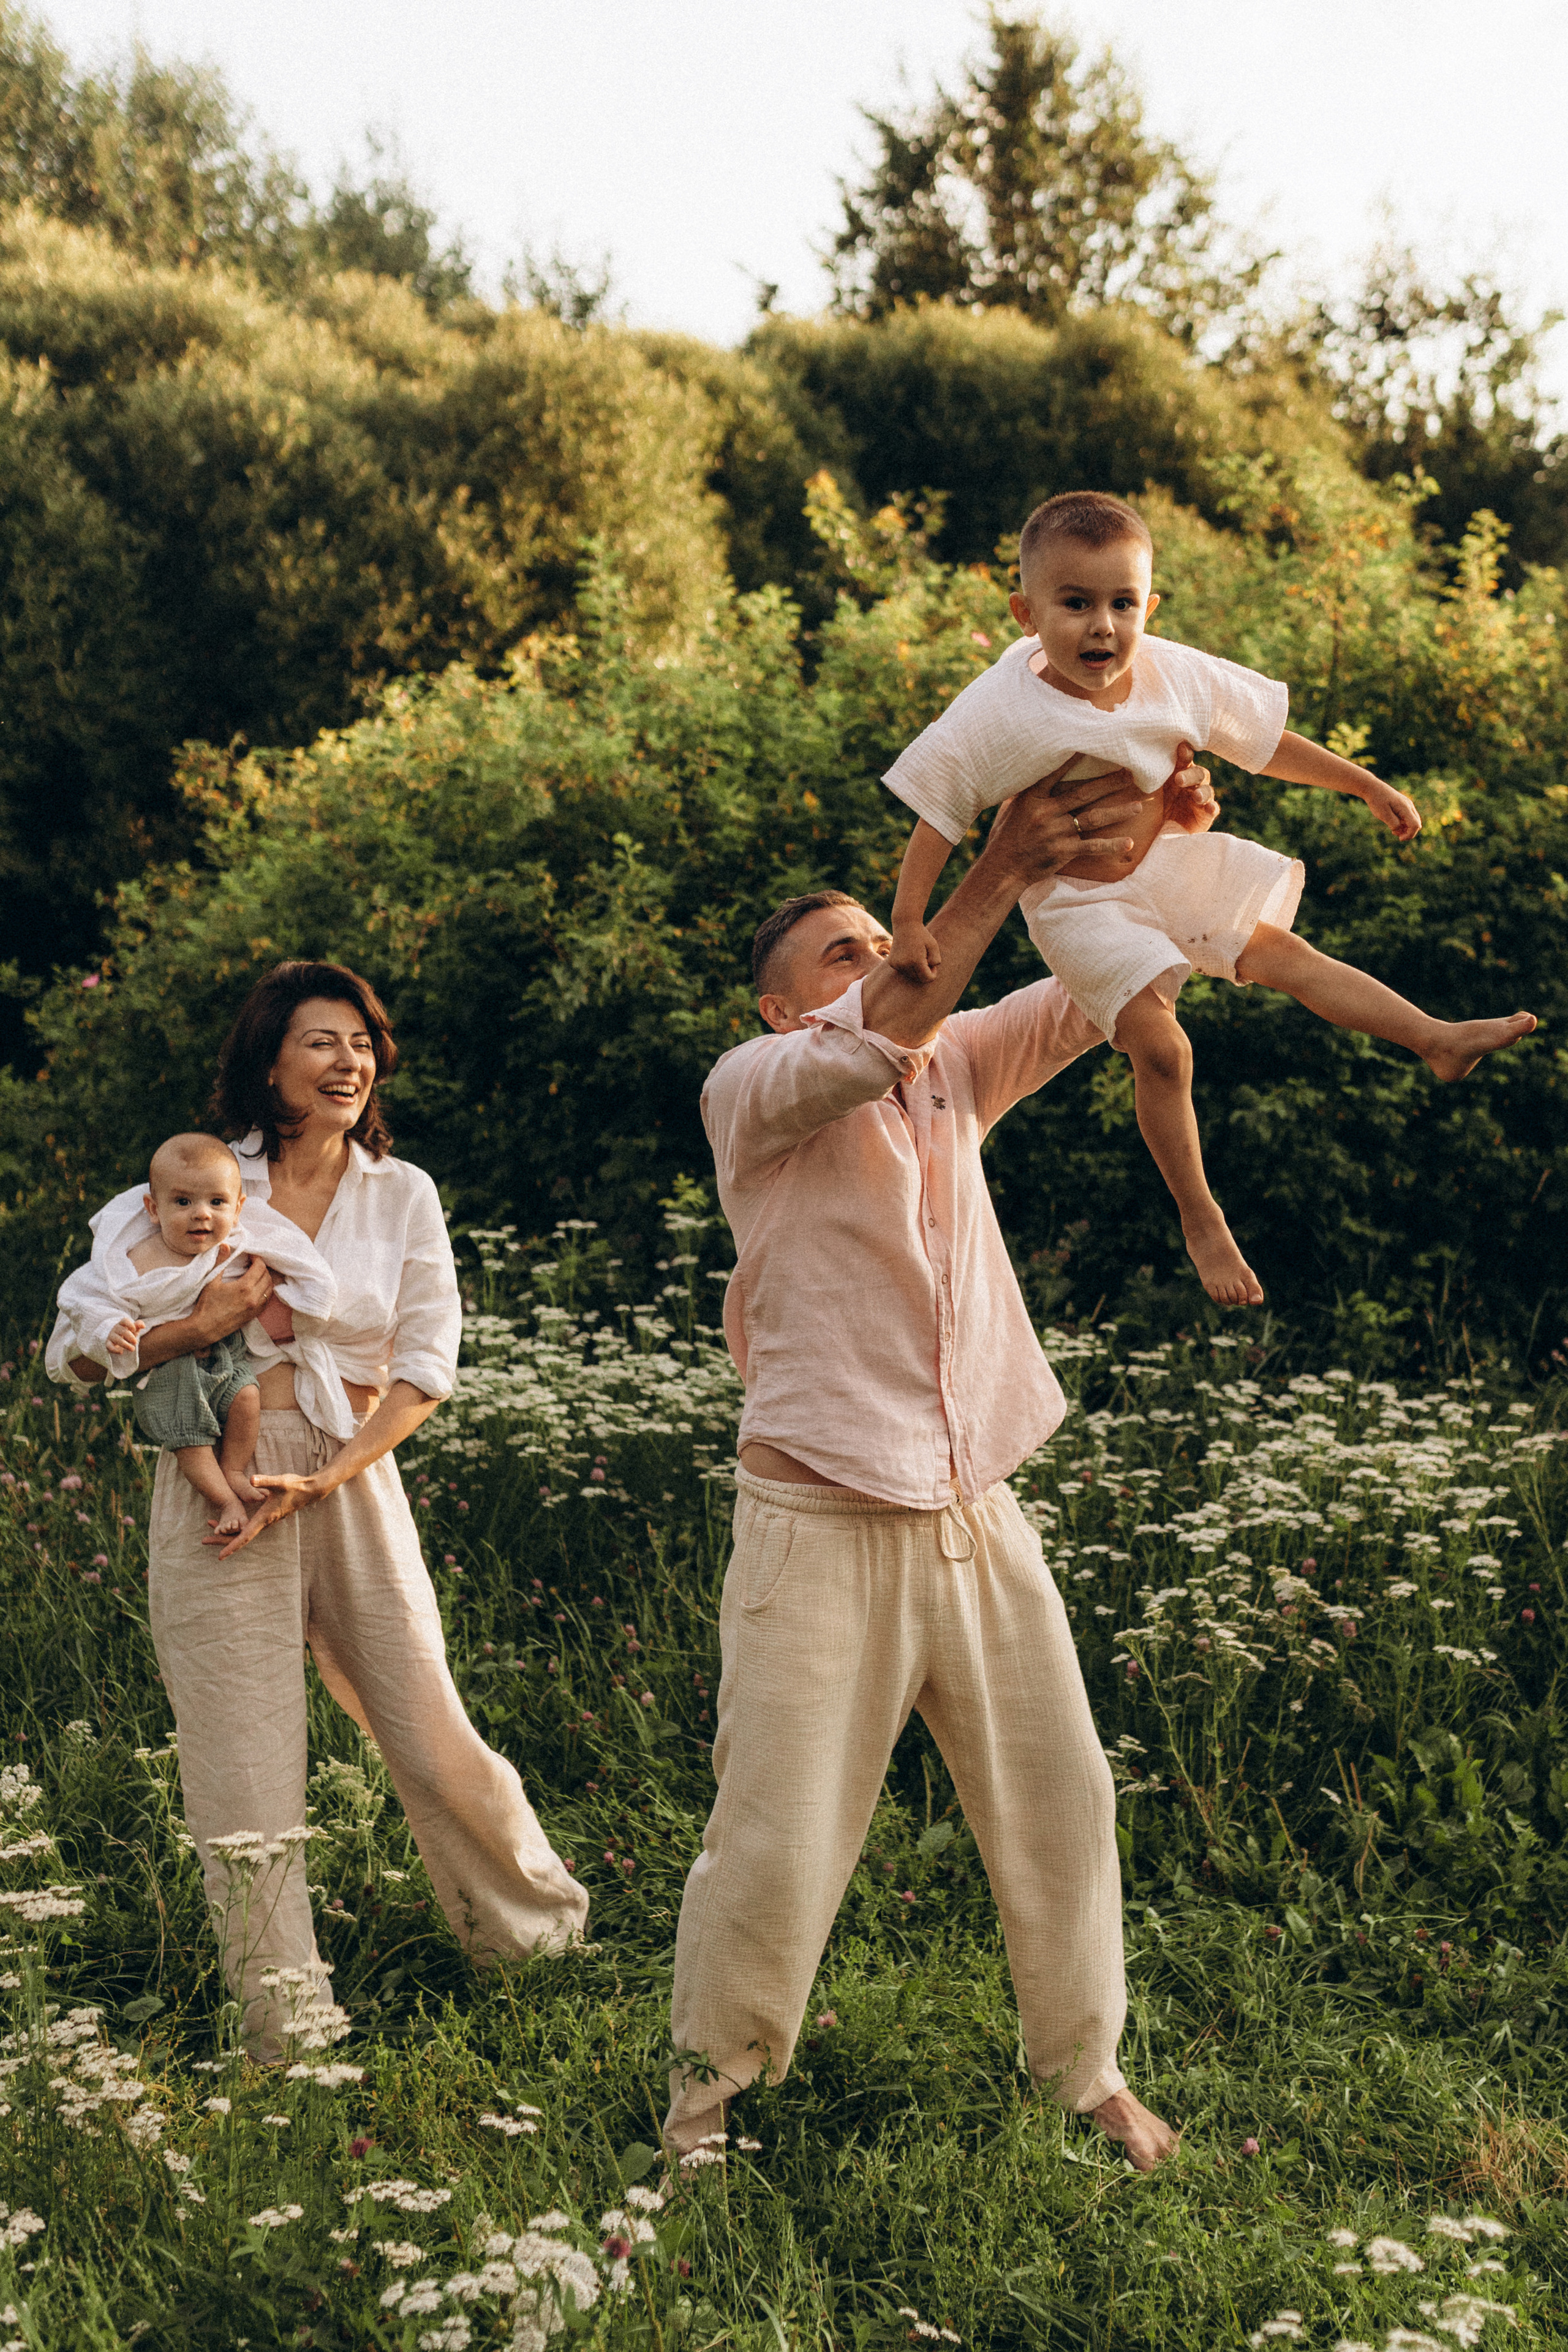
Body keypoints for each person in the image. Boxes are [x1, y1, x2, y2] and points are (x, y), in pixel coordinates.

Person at [665, 755, 1196, 2175]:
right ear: (785, 1004)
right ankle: (702, 2105)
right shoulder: (756, 1087)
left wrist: (1145, 827)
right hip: (815, 1515)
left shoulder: (953, 1059)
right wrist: (992, 868)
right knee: (774, 1836)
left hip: (976, 1506)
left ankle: (1085, 2072)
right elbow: (883, 1024)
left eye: (876, 927)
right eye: (845, 947)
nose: (884, 948)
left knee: (1060, 1796)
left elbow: (1103, 985)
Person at [51, 960, 586, 2057]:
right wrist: (192, 1333)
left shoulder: (403, 1194)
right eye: (320, 1041)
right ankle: (286, 2029)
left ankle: (536, 1943)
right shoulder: (190, 1182)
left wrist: (331, 1478)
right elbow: (76, 1349)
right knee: (242, 1765)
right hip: (216, 1479)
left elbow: (428, 1368)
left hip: (346, 1474)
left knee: (427, 1730)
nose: (349, 1060)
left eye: (361, 1041)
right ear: (267, 1061)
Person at [884, 489, 1537, 1306]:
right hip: (1077, 907)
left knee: (1285, 955)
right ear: (1026, 612)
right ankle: (1201, 1219)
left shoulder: (1168, 671)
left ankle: (1434, 1037)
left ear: (1149, 607)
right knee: (1165, 1051)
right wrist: (909, 920)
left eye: (1123, 604)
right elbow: (938, 808)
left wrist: (1364, 785)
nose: (1103, 627)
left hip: (1167, 862)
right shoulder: (1001, 707)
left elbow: (1263, 745)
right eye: (1076, 604)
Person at [52, 1131, 337, 1539]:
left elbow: (294, 1256)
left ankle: (234, 1469)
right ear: (153, 1209)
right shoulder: (132, 1259)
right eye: (183, 1203)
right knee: (193, 1440)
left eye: (216, 1203)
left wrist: (310, 1297)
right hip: (171, 1372)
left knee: (248, 1397)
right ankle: (223, 1501)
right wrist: (107, 1328)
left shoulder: (239, 1242)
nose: (202, 1214)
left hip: (225, 1358)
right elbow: (81, 1299)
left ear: (238, 1208)